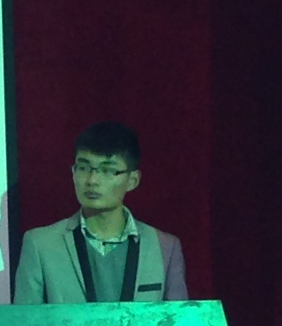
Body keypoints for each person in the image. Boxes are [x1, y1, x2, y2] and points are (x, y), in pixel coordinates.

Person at [12, 121, 190, 305]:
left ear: (133, 180)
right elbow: (24, 320)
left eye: (107, 170)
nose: (92, 180)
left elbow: (178, 320)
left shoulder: (165, 247)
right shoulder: (41, 245)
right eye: (83, 168)